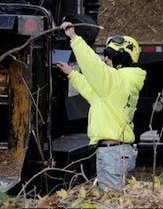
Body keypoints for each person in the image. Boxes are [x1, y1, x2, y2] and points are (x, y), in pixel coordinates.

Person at [56, 21, 146, 190]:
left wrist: (74, 38)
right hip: (119, 152)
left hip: (112, 153)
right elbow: (94, 93)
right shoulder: (124, 82)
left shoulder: (115, 81)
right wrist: (72, 74)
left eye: (109, 55)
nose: (105, 59)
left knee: (111, 200)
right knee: (116, 200)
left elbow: (92, 65)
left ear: (121, 58)